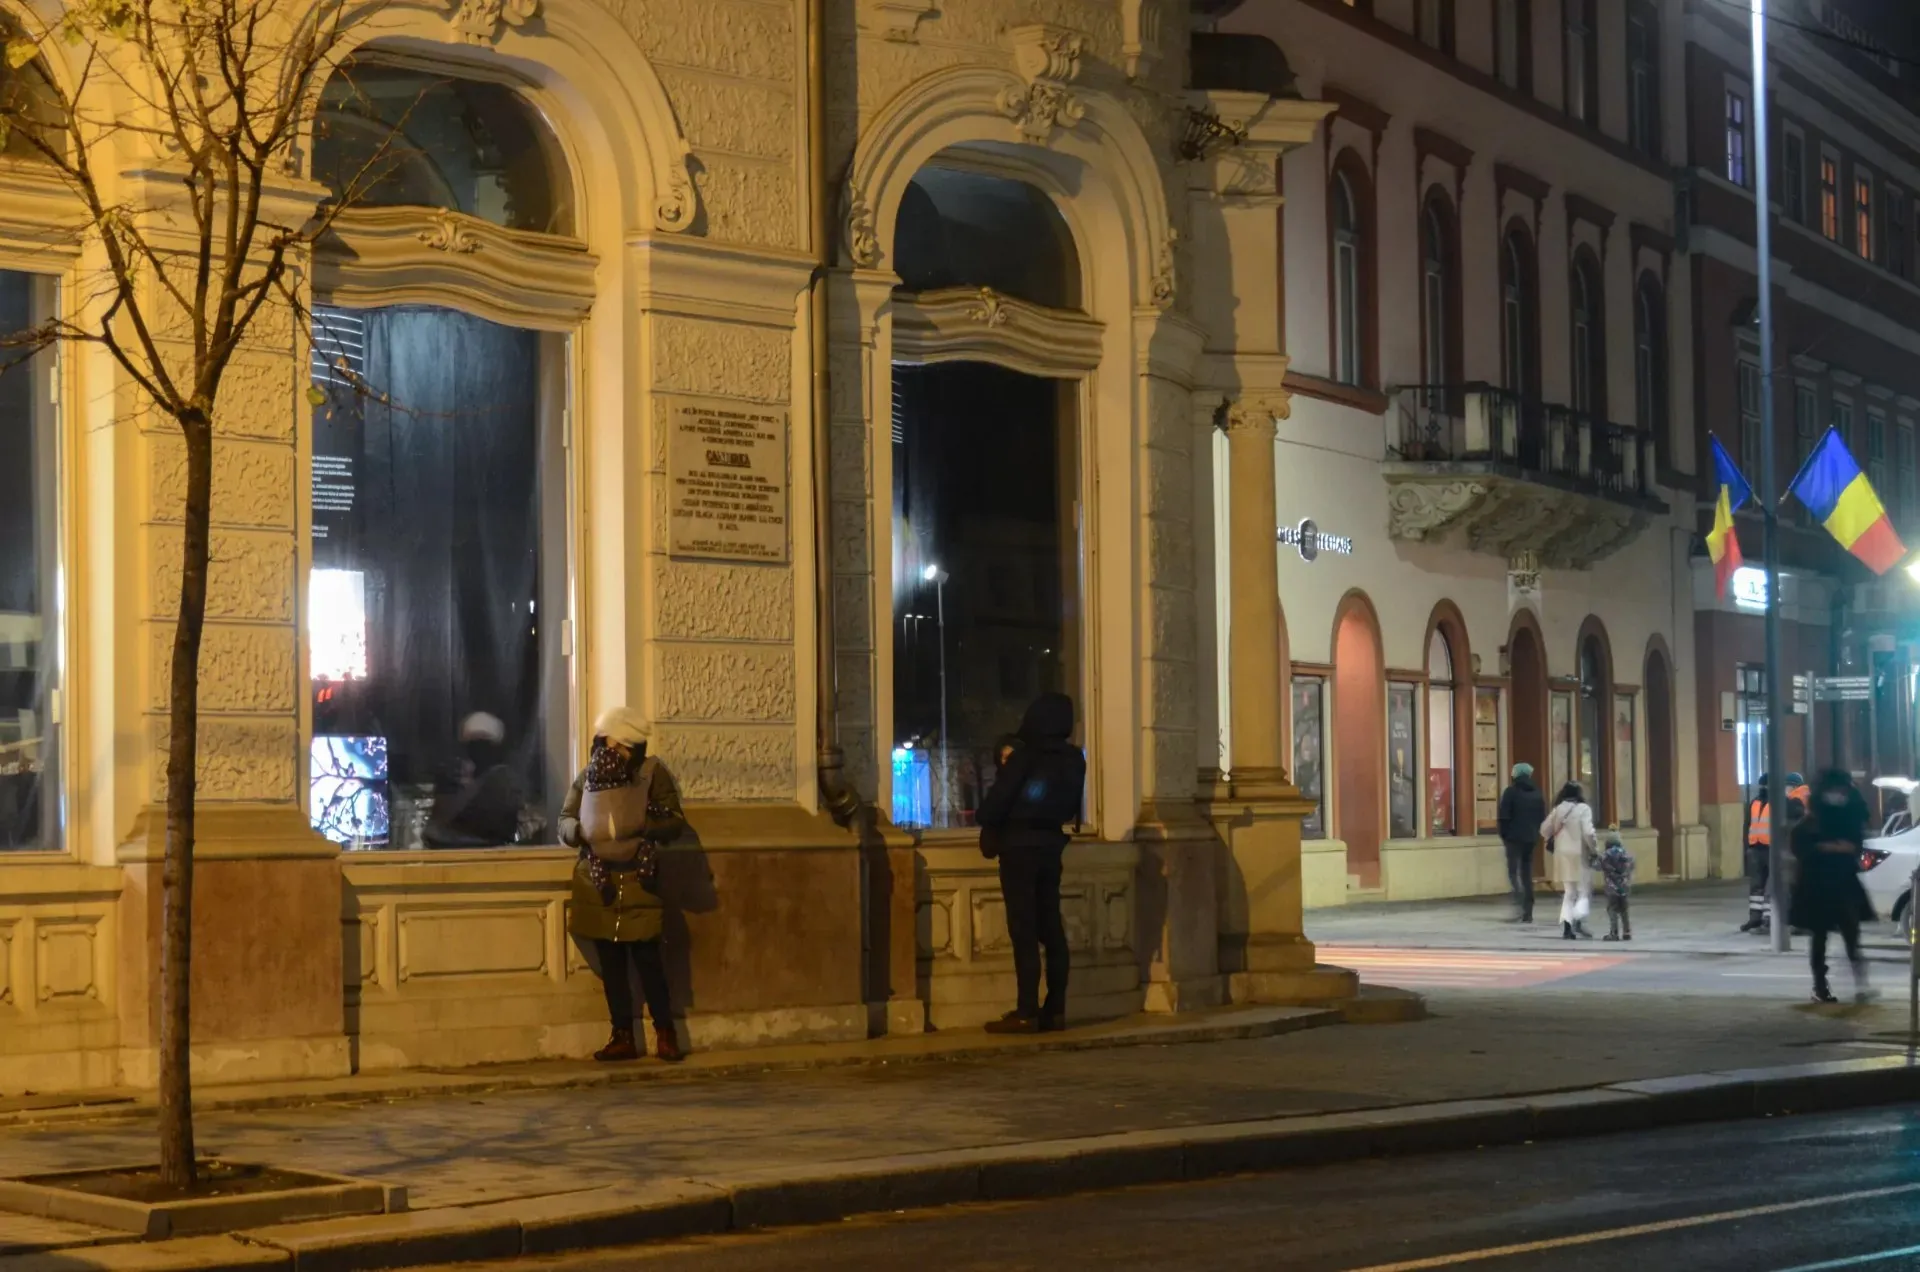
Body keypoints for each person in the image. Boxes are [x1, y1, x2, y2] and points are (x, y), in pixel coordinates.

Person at [562, 707, 689, 1062]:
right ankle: (622, 1035)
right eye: (606, 743)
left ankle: (665, 1032)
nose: (611, 751)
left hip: (639, 880)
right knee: (612, 966)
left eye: (619, 745)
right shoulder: (588, 776)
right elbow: (566, 817)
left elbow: (675, 819)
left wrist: (641, 827)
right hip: (599, 882)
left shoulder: (651, 773)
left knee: (649, 961)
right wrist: (579, 833)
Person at [976, 692, 1086, 1034]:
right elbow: (1067, 806)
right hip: (1051, 845)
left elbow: (997, 803)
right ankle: (1055, 1009)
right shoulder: (1073, 759)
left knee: (1023, 930)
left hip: (1019, 848)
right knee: (1050, 928)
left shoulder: (1027, 757)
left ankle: (1027, 1011)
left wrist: (991, 818)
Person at [1790, 768, 1878, 1005]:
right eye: (1834, 790)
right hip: (1816, 885)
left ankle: (1860, 983)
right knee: (1820, 936)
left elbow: (1857, 842)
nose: (1838, 794)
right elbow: (1800, 846)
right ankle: (1820, 986)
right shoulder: (1812, 821)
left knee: (1851, 934)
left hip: (1843, 883)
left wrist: (1847, 848)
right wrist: (1827, 848)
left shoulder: (1849, 814)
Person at [422, 712, 525, 848]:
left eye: (483, 742)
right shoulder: (455, 779)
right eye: (472, 743)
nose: (478, 750)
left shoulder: (501, 780)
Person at [1742, 771, 1810, 935]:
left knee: (1774, 886)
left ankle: (1770, 920)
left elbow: (1793, 818)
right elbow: (1748, 825)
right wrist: (1747, 847)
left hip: (1776, 849)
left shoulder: (1790, 802)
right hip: (1758, 848)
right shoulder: (1756, 803)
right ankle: (1759, 918)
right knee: (1759, 886)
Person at [1542, 782, 1597, 940]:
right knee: (1584, 891)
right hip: (1580, 853)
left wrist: (1557, 839)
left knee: (1569, 892)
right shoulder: (1583, 809)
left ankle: (1567, 927)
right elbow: (1588, 832)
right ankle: (1577, 920)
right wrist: (1594, 849)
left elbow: (1544, 829)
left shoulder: (1558, 809)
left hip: (1562, 854)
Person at [1496, 762, 1547, 923]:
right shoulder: (1537, 794)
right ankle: (1528, 910)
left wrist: (1504, 836)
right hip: (1530, 838)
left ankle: (1519, 903)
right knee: (1527, 873)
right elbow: (1542, 817)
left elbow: (1503, 817)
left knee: (1513, 872)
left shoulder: (1511, 792)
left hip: (1513, 838)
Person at [1599, 833, 1635, 941]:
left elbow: (1597, 865)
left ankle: (1614, 933)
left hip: (1612, 888)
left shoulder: (1605, 855)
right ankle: (1627, 932)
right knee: (1624, 910)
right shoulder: (1626, 854)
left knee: (1612, 910)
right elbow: (1631, 866)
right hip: (1624, 887)